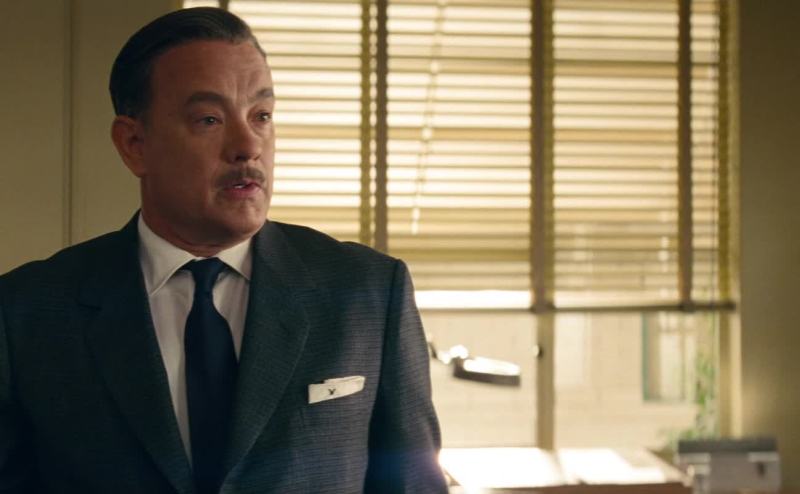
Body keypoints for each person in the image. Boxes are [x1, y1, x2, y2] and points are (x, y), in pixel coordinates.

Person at [0, 7, 447, 494]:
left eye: (261, 116)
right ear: (134, 144)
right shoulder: (27, 312)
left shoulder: (366, 291)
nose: (247, 145)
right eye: (209, 119)